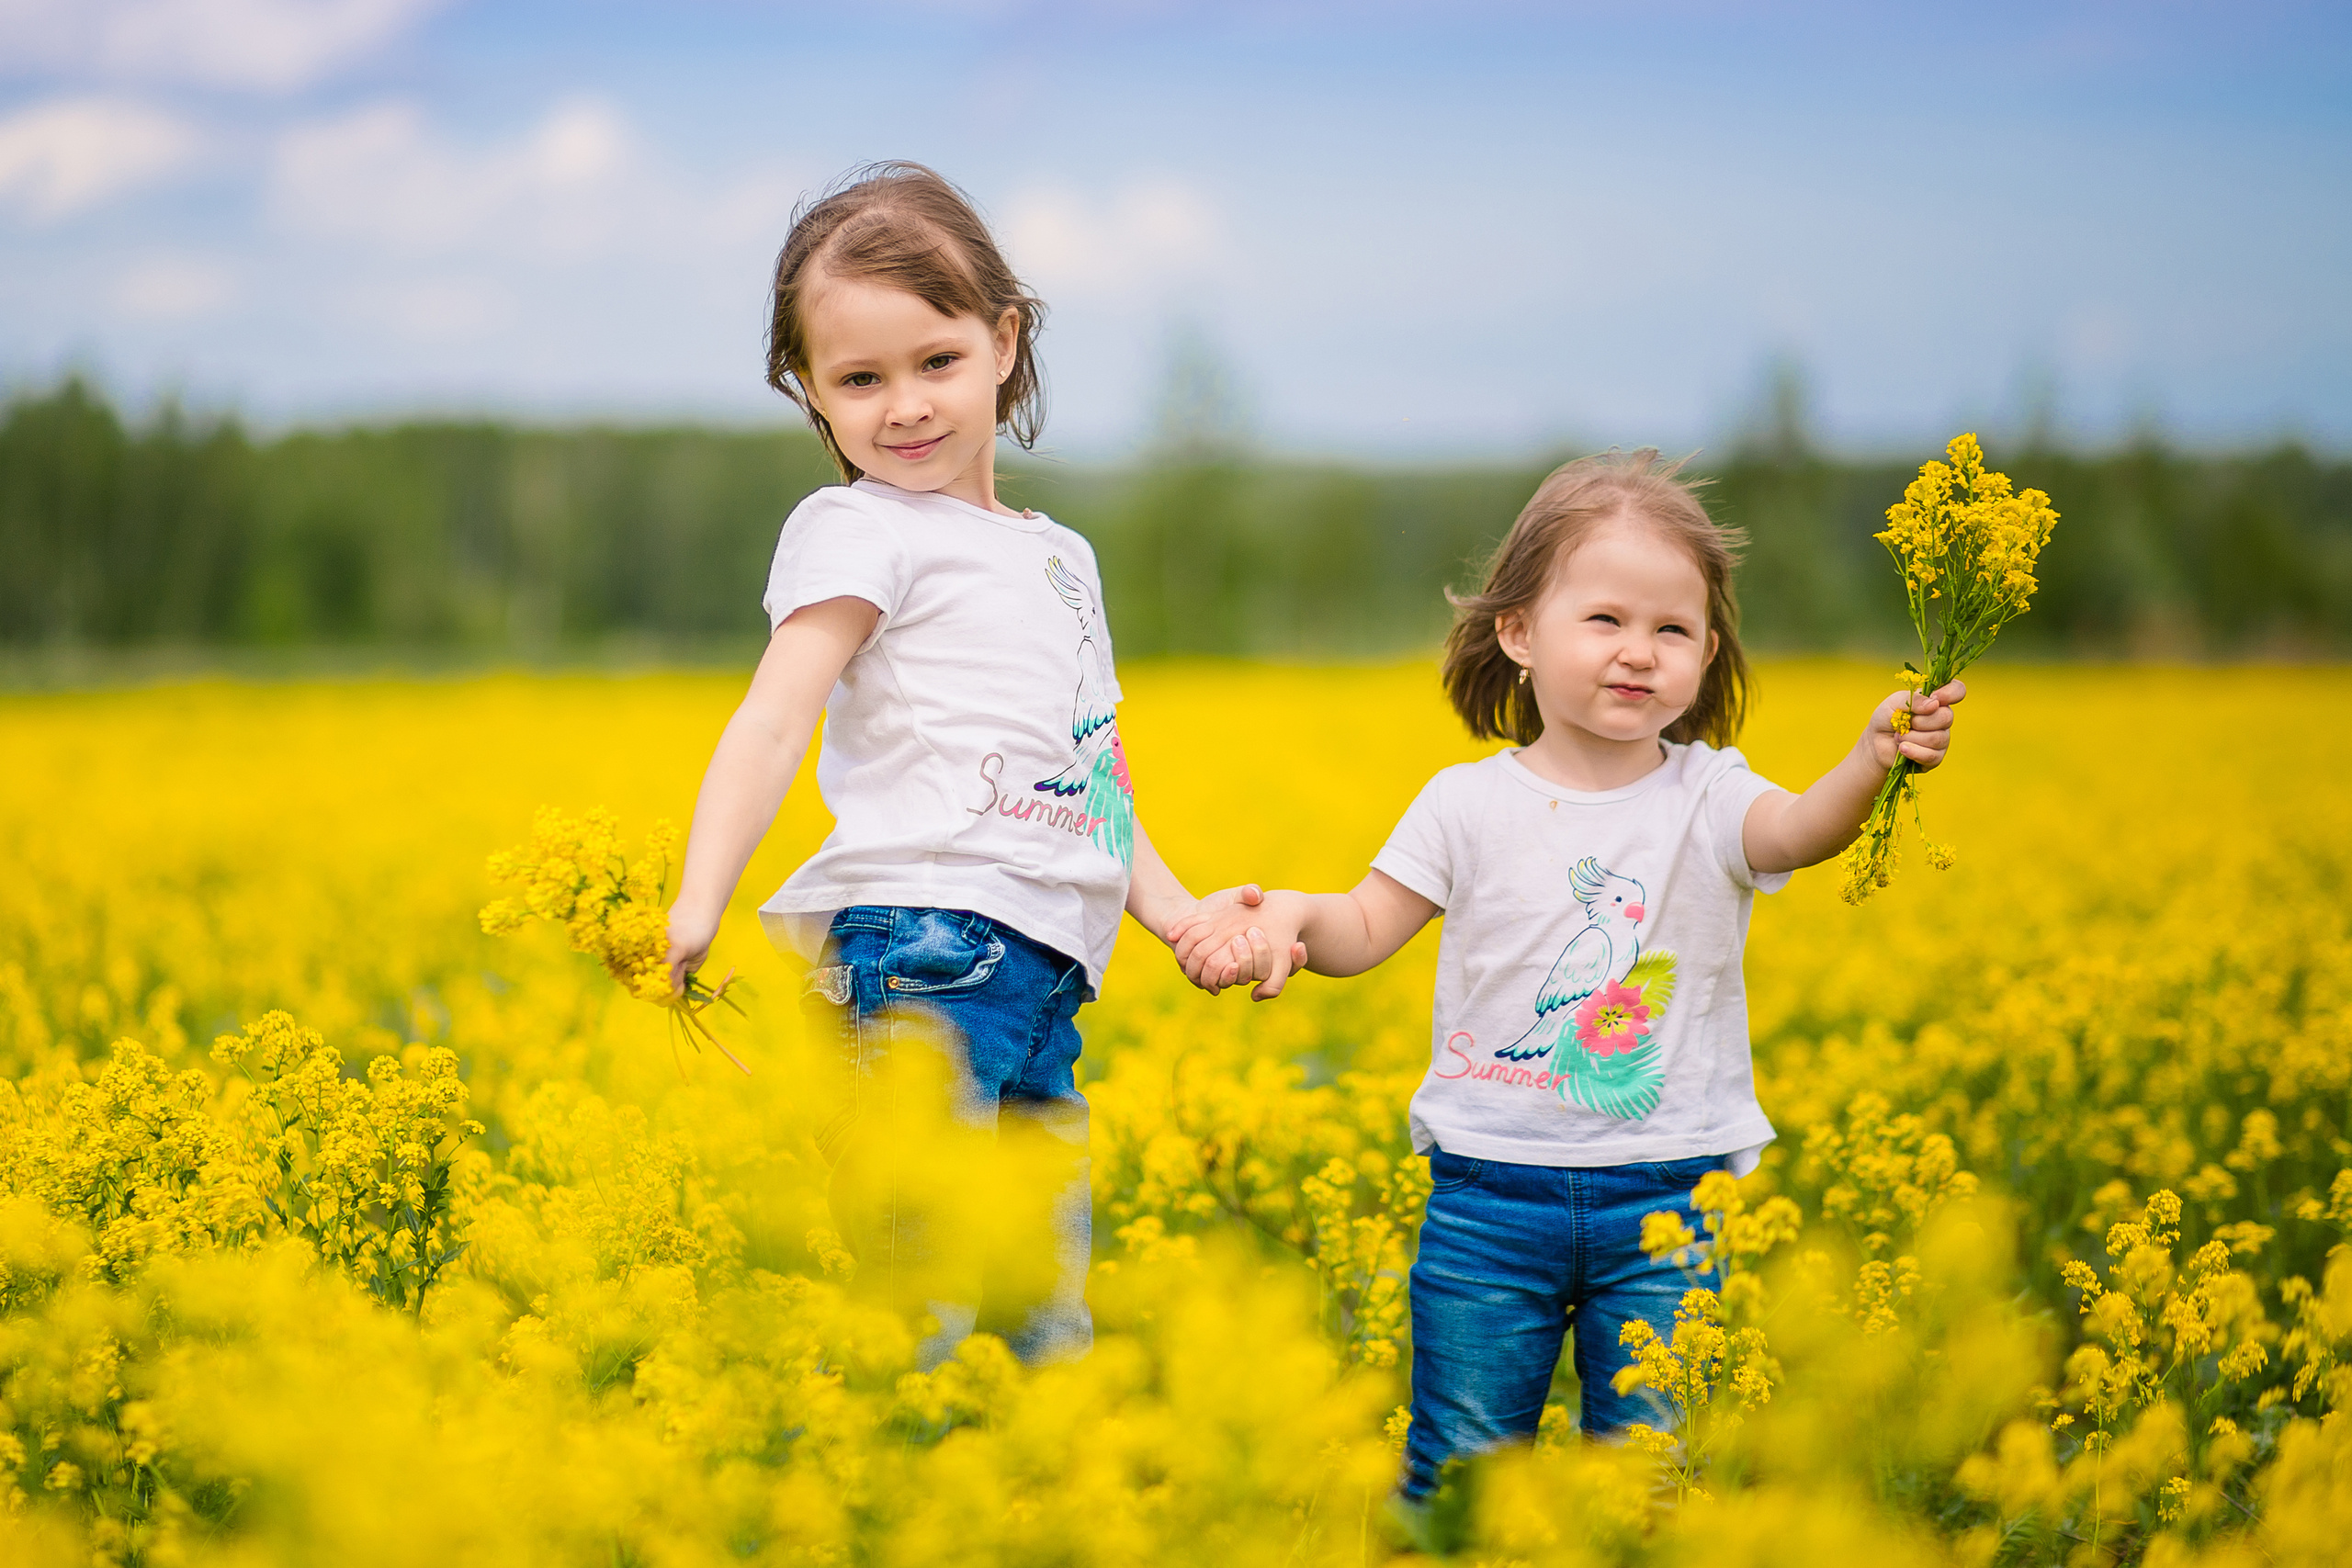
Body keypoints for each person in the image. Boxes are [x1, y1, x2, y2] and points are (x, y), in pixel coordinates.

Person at [1170, 448, 1963, 1506]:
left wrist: (1870, 758)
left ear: (1707, 652)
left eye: (1671, 630)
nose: (1639, 653)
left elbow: (1800, 832)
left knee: (1651, 1481)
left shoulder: (1712, 795)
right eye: (1605, 621)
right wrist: (1289, 922)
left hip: (1673, 1199)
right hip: (1489, 1198)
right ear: (1517, 634)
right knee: (1459, 1472)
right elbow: (1362, 924)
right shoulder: (1464, 804)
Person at [662, 162, 1255, 1369]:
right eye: (859, 380)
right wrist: (699, 892)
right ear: (811, 394)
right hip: (922, 951)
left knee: (1042, 1317)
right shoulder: (857, 528)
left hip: (1043, 974)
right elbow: (776, 718)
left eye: (936, 361)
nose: (905, 406)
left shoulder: (1060, 558)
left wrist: (1179, 911)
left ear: (1003, 340)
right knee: (918, 1301)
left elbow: (1092, 768)